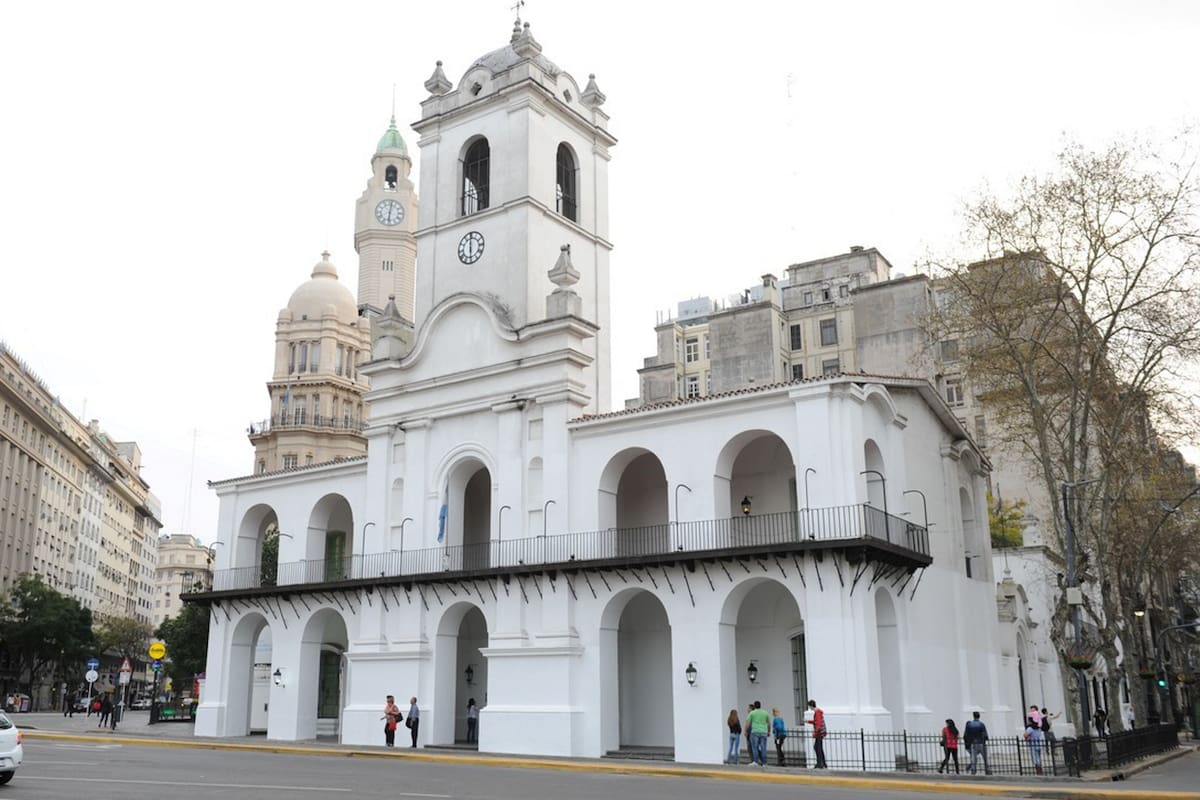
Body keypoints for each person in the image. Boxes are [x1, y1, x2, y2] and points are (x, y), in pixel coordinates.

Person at [963, 710, 991, 775]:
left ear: (973, 716)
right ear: (979, 716)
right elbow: (985, 734)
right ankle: (987, 770)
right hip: (981, 743)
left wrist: (969, 743)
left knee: (973, 758)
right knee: (985, 758)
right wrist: (986, 739)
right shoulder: (981, 724)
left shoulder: (969, 725)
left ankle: (973, 770)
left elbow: (966, 735)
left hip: (973, 743)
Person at [746, 701, 771, 767]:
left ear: (754, 706)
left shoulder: (752, 713)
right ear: (760, 705)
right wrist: (769, 731)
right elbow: (769, 723)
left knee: (755, 747)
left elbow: (748, 723)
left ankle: (755, 761)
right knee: (763, 748)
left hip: (755, 732)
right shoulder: (765, 713)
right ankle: (764, 763)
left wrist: (746, 731)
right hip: (763, 732)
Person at [805, 700, 827, 769]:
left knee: (817, 748)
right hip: (820, 733)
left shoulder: (817, 713)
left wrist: (815, 733)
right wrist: (808, 721)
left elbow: (818, 724)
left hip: (819, 733)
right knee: (819, 748)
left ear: (811, 706)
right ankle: (823, 763)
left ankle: (820, 764)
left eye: (809, 706)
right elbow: (816, 722)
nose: (810, 708)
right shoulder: (818, 712)